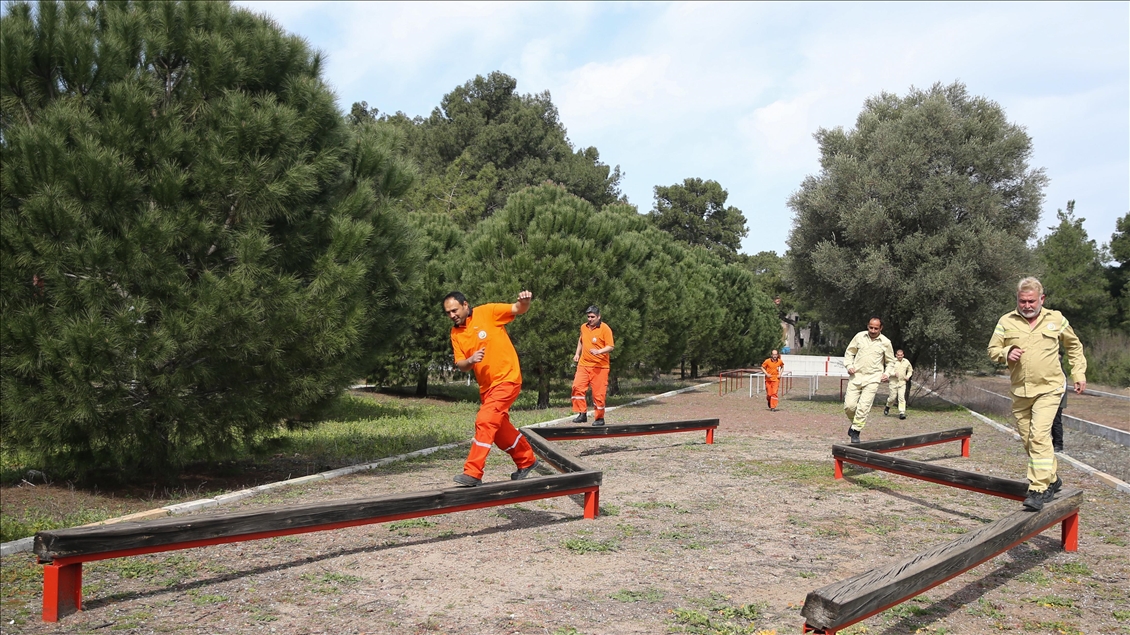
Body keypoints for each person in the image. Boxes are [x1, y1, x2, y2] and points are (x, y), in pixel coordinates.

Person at [988, 277, 1086, 511]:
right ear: (1017, 300)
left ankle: (1038, 488)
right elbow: (993, 349)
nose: (1027, 305)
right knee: (1028, 440)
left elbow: (1074, 346)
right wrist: (1006, 352)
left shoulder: (1056, 319)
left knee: (1040, 435)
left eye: (1032, 301)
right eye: (1022, 301)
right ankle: (1052, 479)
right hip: (1020, 391)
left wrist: (1078, 373)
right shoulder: (1006, 321)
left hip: (1049, 388)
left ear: (1041, 299)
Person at [443, 290, 540, 487]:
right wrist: (470, 360)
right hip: (487, 388)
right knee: (500, 430)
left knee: (485, 420)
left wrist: (525, 302)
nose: (452, 315)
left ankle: (473, 472)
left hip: (507, 379)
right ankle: (527, 460)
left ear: (465, 305)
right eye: (448, 313)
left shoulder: (487, 312)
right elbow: (461, 363)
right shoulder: (455, 333)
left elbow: (517, 308)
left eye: (454, 310)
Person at [843, 317, 896, 444]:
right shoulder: (859, 337)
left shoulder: (886, 342)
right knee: (849, 407)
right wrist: (849, 366)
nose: (873, 330)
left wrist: (887, 374)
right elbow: (849, 352)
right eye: (871, 327)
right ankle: (855, 424)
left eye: (876, 328)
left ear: (881, 328)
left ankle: (856, 431)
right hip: (856, 376)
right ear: (868, 326)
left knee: (864, 406)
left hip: (873, 378)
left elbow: (890, 361)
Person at [571, 305, 615, 426]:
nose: (590, 319)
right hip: (584, 365)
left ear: (599, 316)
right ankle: (582, 413)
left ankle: (599, 418)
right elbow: (581, 341)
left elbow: (610, 346)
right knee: (577, 387)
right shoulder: (584, 327)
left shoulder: (605, 328)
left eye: (592, 317)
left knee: (598, 394)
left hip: (600, 367)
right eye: (588, 316)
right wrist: (577, 354)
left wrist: (599, 351)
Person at [884, 349, 913, 420]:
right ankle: (887, 406)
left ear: (903, 355)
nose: (900, 356)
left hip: (902, 383)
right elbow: (888, 371)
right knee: (892, 398)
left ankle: (902, 413)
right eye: (898, 355)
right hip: (893, 383)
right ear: (896, 355)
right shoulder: (892, 362)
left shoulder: (906, 362)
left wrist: (908, 376)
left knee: (901, 398)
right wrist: (893, 374)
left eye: (901, 355)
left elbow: (910, 370)